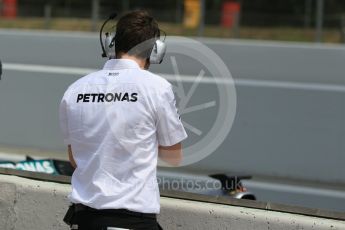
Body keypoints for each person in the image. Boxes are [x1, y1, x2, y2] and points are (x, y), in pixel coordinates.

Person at [59, 10, 187, 230]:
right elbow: (174, 156)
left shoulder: (75, 90)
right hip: (133, 221)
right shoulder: (157, 88)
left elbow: (74, 158)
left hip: (84, 221)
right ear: (155, 51)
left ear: (111, 44)